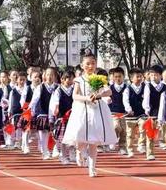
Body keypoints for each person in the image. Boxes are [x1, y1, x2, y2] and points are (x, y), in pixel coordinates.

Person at [62, 49, 117, 177]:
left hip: (97, 110)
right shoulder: (79, 80)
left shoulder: (100, 78)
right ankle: (79, 151)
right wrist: (87, 98)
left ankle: (92, 167)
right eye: (87, 64)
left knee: (94, 140)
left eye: (93, 63)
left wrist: (99, 94)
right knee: (81, 137)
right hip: (82, 110)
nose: (90, 66)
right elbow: (75, 96)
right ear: (82, 65)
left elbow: (109, 92)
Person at [29, 67, 57, 160]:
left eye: (51, 75)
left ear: (54, 76)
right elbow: (34, 100)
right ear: (44, 76)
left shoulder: (57, 87)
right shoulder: (40, 87)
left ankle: (53, 149)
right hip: (42, 113)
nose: (49, 77)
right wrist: (30, 110)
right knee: (43, 133)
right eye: (48, 74)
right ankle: (45, 151)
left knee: (53, 133)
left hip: (53, 113)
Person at [49, 69, 75, 163]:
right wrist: (55, 110)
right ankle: (63, 156)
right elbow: (55, 102)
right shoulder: (58, 91)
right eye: (67, 78)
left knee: (72, 137)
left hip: (73, 117)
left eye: (71, 78)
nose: (69, 80)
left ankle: (72, 154)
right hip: (62, 117)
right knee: (63, 138)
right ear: (62, 79)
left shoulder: (74, 90)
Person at [142, 64, 166, 161]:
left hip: (163, 114)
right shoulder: (148, 86)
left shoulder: (165, 87)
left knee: (165, 134)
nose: (153, 77)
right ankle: (150, 153)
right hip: (152, 113)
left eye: (155, 75)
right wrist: (147, 110)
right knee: (150, 135)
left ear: (160, 75)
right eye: (151, 75)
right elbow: (146, 99)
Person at [123, 68, 146, 157]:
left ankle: (141, 144)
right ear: (132, 78)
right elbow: (125, 100)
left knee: (143, 125)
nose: (139, 78)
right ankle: (130, 149)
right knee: (130, 134)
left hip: (141, 113)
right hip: (131, 115)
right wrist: (128, 109)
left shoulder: (145, 87)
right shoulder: (128, 89)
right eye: (137, 77)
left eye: (141, 76)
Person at [108, 67, 128, 155]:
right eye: (115, 77)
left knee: (124, 130)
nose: (117, 79)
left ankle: (122, 147)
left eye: (119, 76)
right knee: (116, 126)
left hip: (124, 113)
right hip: (113, 112)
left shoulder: (127, 88)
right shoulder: (110, 88)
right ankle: (113, 139)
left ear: (123, 76)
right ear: (112, 77)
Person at [8, 71, 28, 150]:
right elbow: (10, 101)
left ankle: (20, 142)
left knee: (22, 127)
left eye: (23, 80)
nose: (22, 82)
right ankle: (13, 141)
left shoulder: (27, 90)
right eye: (20, 80)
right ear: (17, 80)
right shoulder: (13, 91)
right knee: (14, 127)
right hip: (15, 111)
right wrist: (10, 111)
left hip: (24, 111)